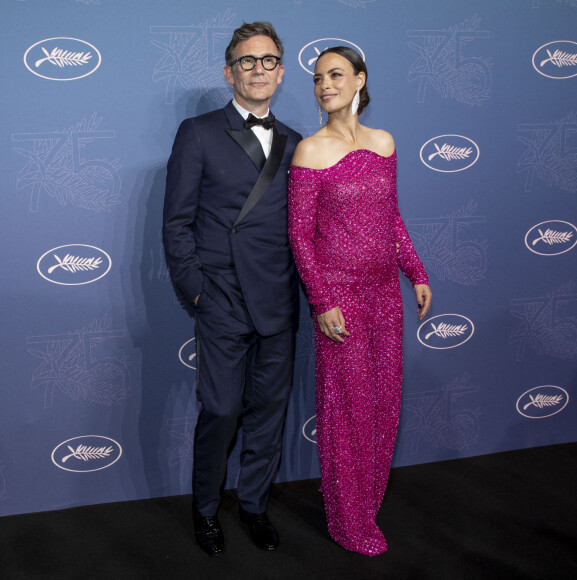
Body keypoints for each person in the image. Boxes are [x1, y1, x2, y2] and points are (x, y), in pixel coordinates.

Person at [163, 21, 301, 557]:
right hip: (220, 298)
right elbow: (176, 223)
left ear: (281, 71)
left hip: (277, 300)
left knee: (269, 411)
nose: (259, 70)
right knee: (221, 410)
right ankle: (204, 509)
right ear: (229, 71)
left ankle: (254, 506)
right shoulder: (197, 132)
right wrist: (196, 291)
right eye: (248, 61)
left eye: (268, 61)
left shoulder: (296, 142)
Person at [288, 47, 432, 557]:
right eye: (317, 78)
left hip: (384, 296)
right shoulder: (310, 150)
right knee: (347, 409)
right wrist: (323, 299)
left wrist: (414, 270)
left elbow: (391, 218)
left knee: (383, 402)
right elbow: (300, 236)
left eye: (335, 75)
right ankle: (349, 522)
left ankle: (366, 505)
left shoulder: (385, 142)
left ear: (359, 80)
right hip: (341, 299)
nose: (325, 85)